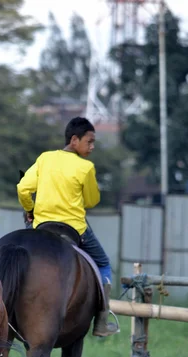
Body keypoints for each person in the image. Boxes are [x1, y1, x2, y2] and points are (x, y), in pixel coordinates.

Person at [17, 116, 118, 337]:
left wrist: (30, 210)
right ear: (74, 140)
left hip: (42, 226)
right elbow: (91, 201)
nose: (92, 147)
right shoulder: (86, 167)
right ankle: (101, 321)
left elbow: (23, 189)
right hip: (75, 229)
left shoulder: (44, 159)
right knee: (104, 264)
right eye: (89, 142)